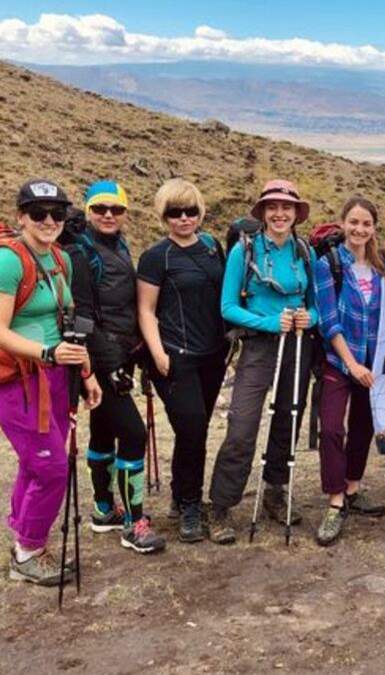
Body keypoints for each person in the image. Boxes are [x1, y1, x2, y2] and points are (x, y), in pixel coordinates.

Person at [0, 179, 103, 585]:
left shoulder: (59, 259)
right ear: (21, 217)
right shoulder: (7, 261)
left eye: (58, 213)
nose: (49, 221)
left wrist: (85, 372)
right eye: (38, 213)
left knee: (36, 463)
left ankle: (23, 535)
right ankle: (28, 552)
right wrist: (48, 353)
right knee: (51, 468)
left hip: (55, 377)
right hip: (16, 379)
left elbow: (66, 322)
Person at [208, 179, 317, 545]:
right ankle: (221, 505)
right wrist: (270, 322)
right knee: (242, 426)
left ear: (296, 213)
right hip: (258, 347)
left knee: (288, 419)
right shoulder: (245, 250)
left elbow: (316, 306)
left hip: (297, 345)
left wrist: (309, 319)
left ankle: (275, 491)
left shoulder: (305, 251)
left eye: (287, 208)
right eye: (273, 207)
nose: (279, 214)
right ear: (263, 212)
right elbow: (228, 307)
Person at [66, 180, 166, 553]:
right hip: (98, 360)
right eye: (100, 208)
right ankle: (133, 524)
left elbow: (119, 306)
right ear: (88, 210)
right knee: (134, 434)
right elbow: (83, 316)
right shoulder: (81, 252)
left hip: (117, 354)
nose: (108, 215)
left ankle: (104, 509)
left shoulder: (115, 245)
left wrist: (135, 352)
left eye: (116, 209)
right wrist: (106, 366)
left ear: (125, 212)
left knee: (104, 429)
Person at [136, 178, 228, 543]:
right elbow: (146, 310)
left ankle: (181, 496)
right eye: (175, 212)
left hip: (213, 355)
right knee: (192, 429)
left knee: (196, 430)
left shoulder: (212, 247)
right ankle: (190, 504)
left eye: (190, 211)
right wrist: (158, 353)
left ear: (200, 212)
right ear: (164, 216)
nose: (184, 219)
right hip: (176, 357)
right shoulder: (156, 257)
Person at [312, 196, 385, 545]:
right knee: (331, 428)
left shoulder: (381, 265)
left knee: (363, 426)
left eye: (366, 224)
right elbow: (329, 320)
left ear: (374, 228)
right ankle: (335, 501)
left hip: (373, 362)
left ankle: (353, 488)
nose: (360, 229)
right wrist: (352, 363)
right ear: (343, 223)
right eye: (354, 222)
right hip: (339, 360)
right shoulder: (328, 265)